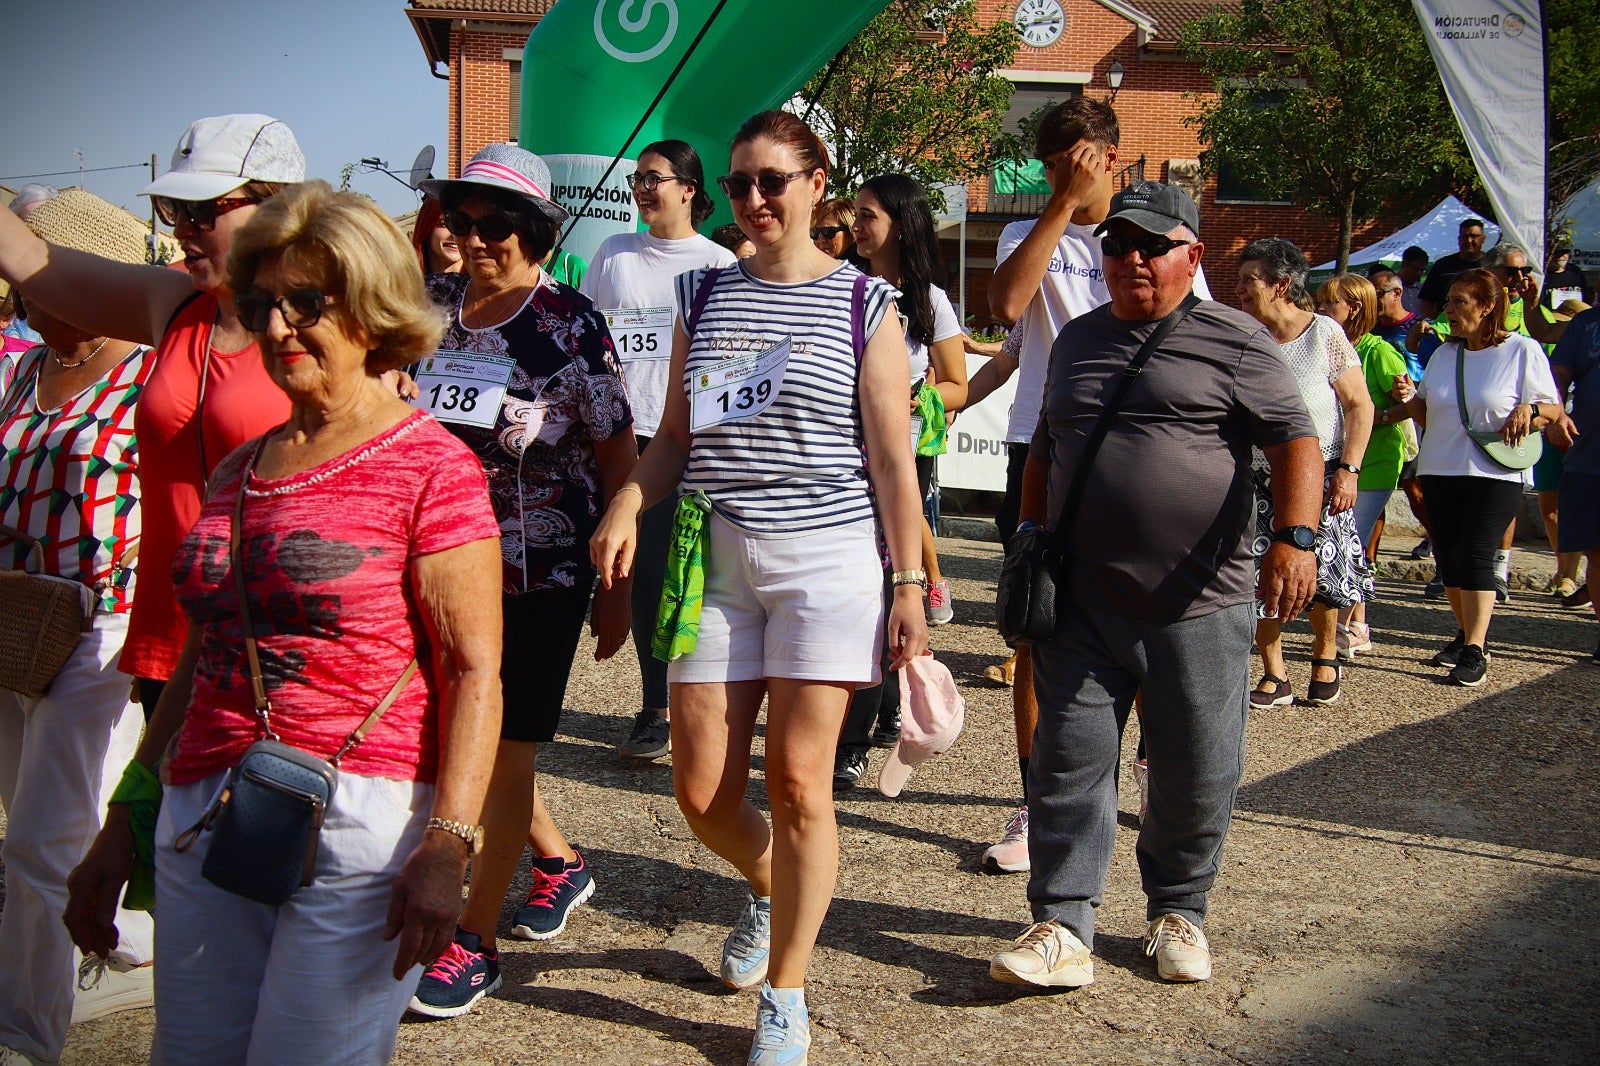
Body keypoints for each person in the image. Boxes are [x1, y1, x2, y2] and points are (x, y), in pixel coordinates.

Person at [63, 179, 505, 1064]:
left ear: (373, 306)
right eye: (264, 303)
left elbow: (473, 670)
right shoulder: (235, 470)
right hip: (205, 809)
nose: (276, 329)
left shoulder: (432, 467)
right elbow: (204, 651)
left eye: (307, 303)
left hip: (362, 821)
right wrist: (126, 815)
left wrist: (448, 845)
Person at [590, 110, 927, 1065]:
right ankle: (778, 889)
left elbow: (895, 465)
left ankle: (786, 991)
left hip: (829, 562)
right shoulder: (704, 294)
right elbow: (672, 441)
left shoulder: (867, 306)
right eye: (739, 184)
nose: (754, 199)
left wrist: (909, 584)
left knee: (797, 782)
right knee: (700, 791)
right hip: (719, 559)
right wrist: (626, 503)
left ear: (820, 182)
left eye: (773, 180)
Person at [987, 181, 1320, 990]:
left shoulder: (1236, 340)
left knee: (1195, 764)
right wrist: (1029, 537)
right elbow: (1043, 449)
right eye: (1120, 245)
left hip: (1198, 600)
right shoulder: (1074, 341)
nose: (1134, 258)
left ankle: (1178, 910)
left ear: (1192, 255)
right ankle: (1062, 925)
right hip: (1083, 597)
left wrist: (1294, 539)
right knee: (1068, 761)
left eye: (1155, 245)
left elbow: (1296, 441)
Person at [405, 143, 636, 1018]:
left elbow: (620, 452)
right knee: (447, 736)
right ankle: (558, 859)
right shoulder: (425, 308)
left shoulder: (571, 323)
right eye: (461, 221)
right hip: (426, 562)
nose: (474, 238)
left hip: (536, 569)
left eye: (494, 223)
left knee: (504, 748)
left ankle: (474, 938)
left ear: (535, 230)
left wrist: (615, 584)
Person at [0, 115, 303, 727]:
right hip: (172, 631)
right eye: (173, 208)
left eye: (204, 210)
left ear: (277, 210)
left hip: (276, 643)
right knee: (160, 818)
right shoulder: (176, 302)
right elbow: (35, 260)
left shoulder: (334, 324)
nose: (184, 230)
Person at [0, 187, 158, 1064]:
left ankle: (25, 1032)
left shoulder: (147, 370)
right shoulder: (28, 368)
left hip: (103, 625)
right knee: (39, 814)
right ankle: (121, 948)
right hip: (19, 619)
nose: (25, 307)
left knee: (38, 839)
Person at [973, 97, 1120, 876]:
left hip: (1128, 450)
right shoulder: (1027, 232)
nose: (1056, 176)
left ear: (1108, 156)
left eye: (1070, 162)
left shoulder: (1147, 235)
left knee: (1136, 624)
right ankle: (1034, 799)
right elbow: (1004, 308)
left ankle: (1140, 775)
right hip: (1039, 444)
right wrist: (1060, 207)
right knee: (1035, 625)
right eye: (1049, 165)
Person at [582, 139, 736, 762]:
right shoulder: (614, 254)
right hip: (616, 434)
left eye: (656, 179)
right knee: (624, 572)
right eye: (637, 180)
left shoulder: (719, 264)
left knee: (668, 577)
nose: (643, 189)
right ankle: (651, 702)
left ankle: (666, 706)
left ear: (691, 189)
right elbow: (589, 339)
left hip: (682, 441)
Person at [831, 172, 968, 791]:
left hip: (900, 465)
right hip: (839, 465)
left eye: (867, 217)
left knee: (887, 597)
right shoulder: (840, 286)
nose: (855, 228)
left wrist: (913, 400)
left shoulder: (929, 301)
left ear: (900, 223)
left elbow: (958, 383)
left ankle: (861, 735)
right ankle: (871, 718)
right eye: (854, 216)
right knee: (859, 599)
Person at [1387, 268, 1561, 685]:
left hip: (1495, 472)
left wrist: (1530, 411)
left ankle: (1475, 650)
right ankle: (1465, 631)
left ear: (1487, 307)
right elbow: (1429, 414)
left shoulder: (1523, 351)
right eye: (1448, 300)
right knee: (1449, 559)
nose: (1448, 309)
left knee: (1478, 555)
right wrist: (1408, 398)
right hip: (1440, 467)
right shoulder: (1447, 354)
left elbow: (1552, 409)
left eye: (1459, 301)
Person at [1235, 238, 1373, 708]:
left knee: (1326, 573)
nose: (1238, 290)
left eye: (1248, 281)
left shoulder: (1324, 334)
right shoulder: (1242, 337)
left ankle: (1325, 653)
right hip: (1255, 475)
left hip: (1323, 474)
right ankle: (1274, 672)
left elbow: (1359, 405)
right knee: (1257, 574)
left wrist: (1349, 471)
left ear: (1282, 285)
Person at [1314, 273, 1409, 659]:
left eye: (1328, 303)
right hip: (1336, 460)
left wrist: (1378, 416)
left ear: (1353, 309)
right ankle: (1357, 625)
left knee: (1351, 537)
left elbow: (1411, 406)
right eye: (1318, 302)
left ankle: (1345, 625)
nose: (1320, 310)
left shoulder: (1379, 352)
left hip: (1374, 463)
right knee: (1350, 541)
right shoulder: (1325, 344)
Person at [1548, 300, 1600, 659]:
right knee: (1596, 550)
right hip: (1590, 455)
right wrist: (1554, 412)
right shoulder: (1586, 325)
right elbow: (1557, 373)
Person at [1370, 269, 1433, 559]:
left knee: (1416, 491)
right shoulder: (1371, 330)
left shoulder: (1420, 327)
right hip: (1377, 426)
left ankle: (1438, 544)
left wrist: (1408, 392)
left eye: (1379, 292)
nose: (1374, 298)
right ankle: (1368, 560)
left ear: (1396, 293)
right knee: (1373, 498)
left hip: (1413, 422)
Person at [1418, 218, 1488, 318]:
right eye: (1465, 236)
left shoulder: (1491, 266)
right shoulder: (1442, 265)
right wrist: (1434, 322)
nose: (1468, 241)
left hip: (1480, 326)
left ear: (1483, 238)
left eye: (1473, 236)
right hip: (1446, 327)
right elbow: (1426, 300)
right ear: (1459, 239)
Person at [411, 195, 463, 275]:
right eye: (444, 224)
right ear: (426, 227)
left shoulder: (484, 286)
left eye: (463, 225)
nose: (454, 235)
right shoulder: (404, 284)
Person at [1398, 245, 1429, 314]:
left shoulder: (1425, 290)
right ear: (1404, 264)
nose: (1419, 273)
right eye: (1416, 269)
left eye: (1422, 270)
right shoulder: (1390, 288)